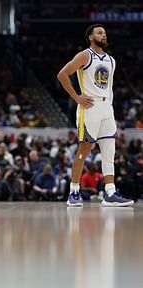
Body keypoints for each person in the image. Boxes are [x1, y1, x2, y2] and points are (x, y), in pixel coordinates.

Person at [57, 23, 133, 206]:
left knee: (109, 151)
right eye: (100, 33)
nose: (104, 35)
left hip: (107, 107)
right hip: (89, 107)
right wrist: (76, 97)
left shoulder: (111, 60)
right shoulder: (85, 55)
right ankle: (74, 191)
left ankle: (110, 192)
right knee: (84, 150)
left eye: (105, 33)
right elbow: (62, 74)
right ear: (91, 37)